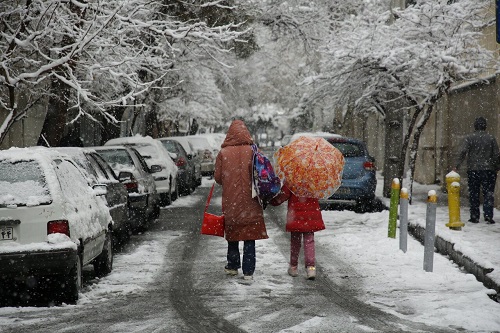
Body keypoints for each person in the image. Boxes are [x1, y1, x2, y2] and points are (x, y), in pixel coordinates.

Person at [214, 119, 268, 281]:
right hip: (252, 199)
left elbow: (218, 178)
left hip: (231, 200)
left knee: (233, 231)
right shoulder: (253, 151)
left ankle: (232, 265)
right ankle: (248, 271)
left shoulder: (223, 153)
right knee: (249, 234)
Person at [269, 182, 325, 280]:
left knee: (295, 242)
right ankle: (311, 268)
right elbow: (321, 193)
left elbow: (283, 195)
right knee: (309, 241)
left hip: (295, 215)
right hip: (311, 215)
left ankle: (293, 267)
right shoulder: (314, 178)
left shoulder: (292, 178)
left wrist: (272, 201)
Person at [454, 116, 500, 224]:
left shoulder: (470, 138)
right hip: (488, 170)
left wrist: (457, 165)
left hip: (473, 169)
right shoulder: (491, 138)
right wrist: (496, 167)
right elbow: (496, 154)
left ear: (475, 126)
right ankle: (488, 215)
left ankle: (474, 216)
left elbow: (462, 152)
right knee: (488, 193)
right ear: (485, 126)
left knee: (474, 193)